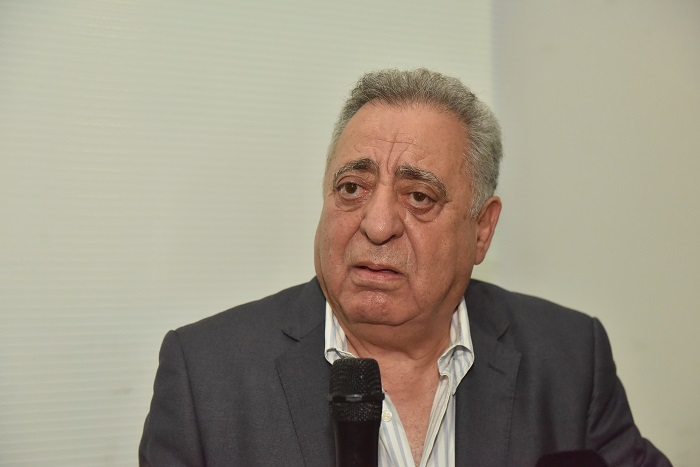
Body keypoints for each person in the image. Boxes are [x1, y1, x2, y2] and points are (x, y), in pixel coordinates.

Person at [139, 68, 670, 466]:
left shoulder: (569, 357)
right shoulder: (205, 375)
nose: (376, 225)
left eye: (419, 196)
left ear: (482, 229)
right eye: (352, 188)